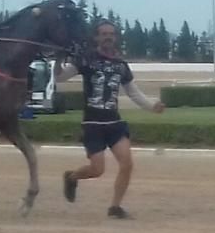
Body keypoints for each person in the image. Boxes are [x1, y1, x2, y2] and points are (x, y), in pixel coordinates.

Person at [57, 19, 165, 219]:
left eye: (111, 34)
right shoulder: (86, 59)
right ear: (96, 37)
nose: (108, 37)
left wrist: (151, 106)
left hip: (114, 123)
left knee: (127, 164)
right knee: (97, 170)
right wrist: (58, 60)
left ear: (115, 38)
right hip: (93, 124)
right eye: (104, 33)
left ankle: (115, 207)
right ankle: (72, 177)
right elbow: (60, 78)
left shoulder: (121, 65)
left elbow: (133, 93)